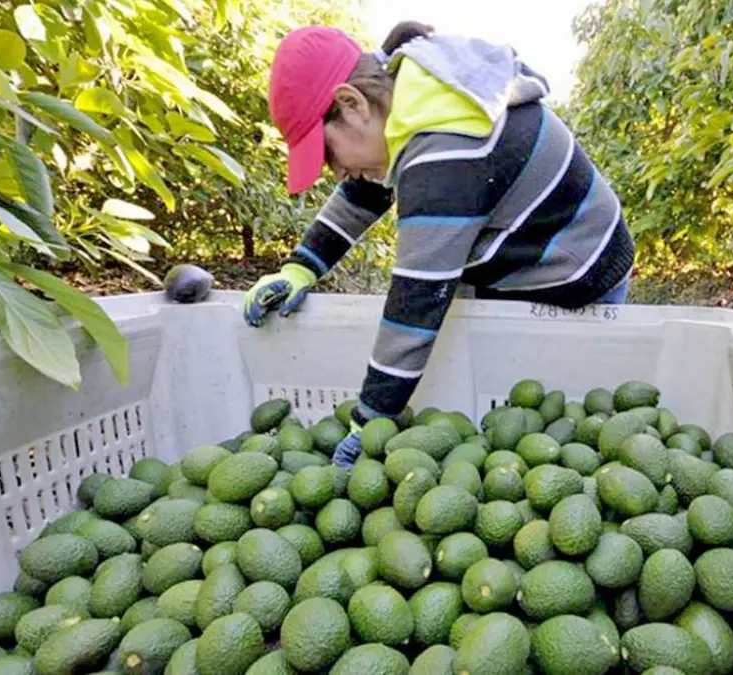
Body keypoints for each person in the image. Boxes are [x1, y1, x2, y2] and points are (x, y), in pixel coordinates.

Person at [245, 22, 635, 469]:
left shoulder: (448, 152)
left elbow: (416, 304)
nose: (336, 171)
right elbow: (364, 191)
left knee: (556, 427)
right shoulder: (412, 94)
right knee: (505, 424)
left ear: (351, 104)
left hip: (576, 272)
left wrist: (369, 421)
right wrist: (300, 267)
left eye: (328, 154)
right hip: (521, 258)